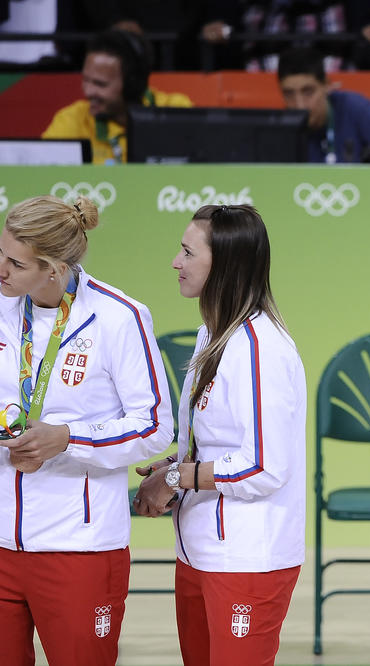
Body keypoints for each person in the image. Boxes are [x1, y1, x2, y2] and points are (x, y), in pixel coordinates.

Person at [0, 195, 174, 665]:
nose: (1, 269)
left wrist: (68, 438)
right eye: (0, 253)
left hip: (76, 548)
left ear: (54, 269)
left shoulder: (121, 318)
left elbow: (155, 427)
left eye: (15, 263)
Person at [131, 204, 305, 665]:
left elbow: (263, 467)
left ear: (224, 264)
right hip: (199, 549)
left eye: (188, 252)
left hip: (246, 559)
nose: (175, 262)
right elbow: (211, 443)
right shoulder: (212, 332)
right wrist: (173, 466)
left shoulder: (259, 348)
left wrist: (175, 479)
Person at [41, 29, 192, 164]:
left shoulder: (174, 111)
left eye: (100, 84)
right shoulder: (72, 119)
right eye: (85, 80)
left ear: (133, 84)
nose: (88, 92)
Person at [277, 47, 370, 163]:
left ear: (327, 85)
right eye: (289, 94)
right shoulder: (278, 129)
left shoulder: (354, 108)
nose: (299, 104)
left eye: (308, 92)